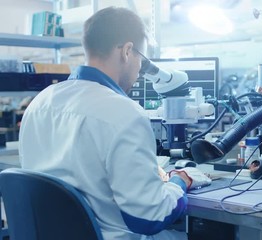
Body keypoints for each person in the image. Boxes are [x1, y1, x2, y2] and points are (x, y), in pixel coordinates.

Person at [19, 6, 205, 240]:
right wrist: (180, 180)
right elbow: (151, 217)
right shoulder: (125, 113)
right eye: (141, 59)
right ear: (127, 51)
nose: (139, 71)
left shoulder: (40, 102)